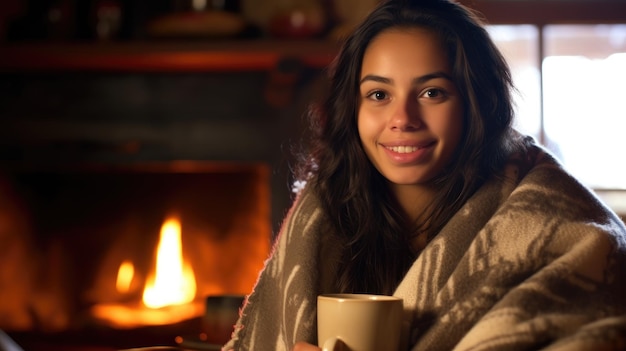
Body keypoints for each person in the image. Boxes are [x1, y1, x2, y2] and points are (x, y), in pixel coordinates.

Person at [223, 0, 626, 350]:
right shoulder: (324, 213)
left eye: (432, 92)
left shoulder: (567, 232)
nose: (402, 120)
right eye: (379, 95)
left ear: (476, 102)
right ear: (353, 109)